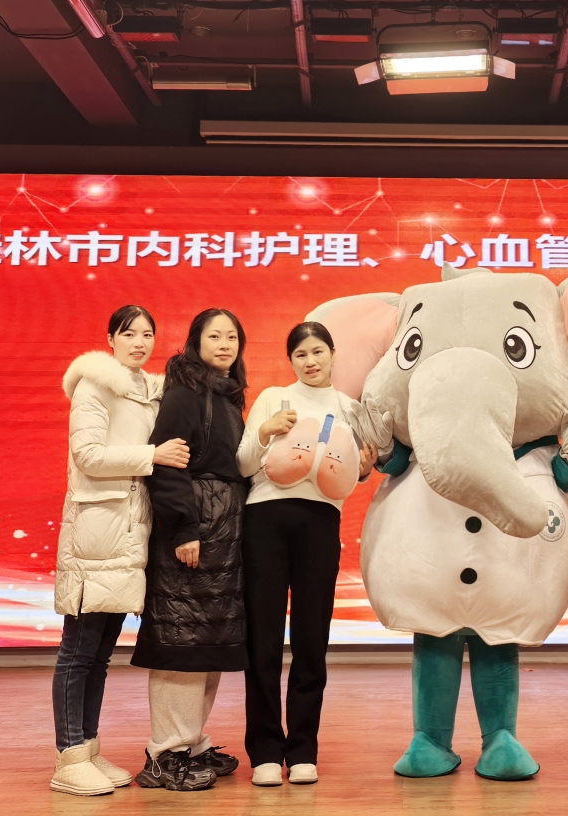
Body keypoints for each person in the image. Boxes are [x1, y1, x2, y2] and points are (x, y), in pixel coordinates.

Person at [50, 305, 191, 797]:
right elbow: (88, 456)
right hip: (97, 533)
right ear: (110, 338)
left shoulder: (151, 392)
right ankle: (68, 756)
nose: (139, 342)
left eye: (148, 334)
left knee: (100, 654)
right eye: (129, 333)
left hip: (129, 535)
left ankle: (87, 749)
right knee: (78, 651)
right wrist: (152, 455)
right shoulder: (94, 386)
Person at [235, 321, 377, 787]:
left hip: (320, 524)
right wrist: (264, 433)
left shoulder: (350, 409)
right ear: (291, 360)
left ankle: (302, 750)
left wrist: (363, 469)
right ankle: (264, 752)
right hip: (265, 520)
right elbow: (243, 464)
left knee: (312, 639)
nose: (310, 361)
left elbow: (348, 473)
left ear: (333, 354)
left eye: (318, 351)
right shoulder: (273, 397)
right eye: (300, 354)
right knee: (263, 639)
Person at [131, 309, 252, 792]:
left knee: (207, 645)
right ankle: (165, 754)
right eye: (214, 335)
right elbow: (167, 465)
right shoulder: (184, 392)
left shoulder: (226, 394)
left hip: (224, 537)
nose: (224, 344)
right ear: (195, 342)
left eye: (232, 337)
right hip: (195, 534)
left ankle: (190, 741)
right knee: (181, 644)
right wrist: (184, 529)